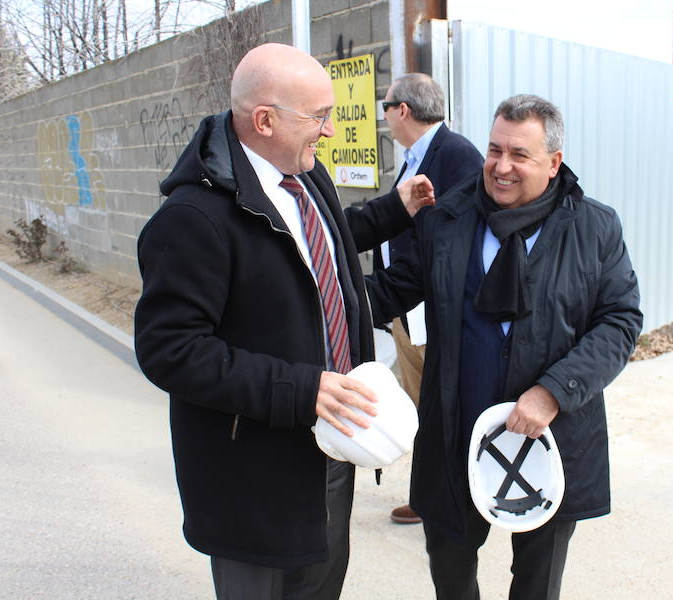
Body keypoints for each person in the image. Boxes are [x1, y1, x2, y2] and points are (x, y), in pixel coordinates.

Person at [134, 43, 432, 600]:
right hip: (255, 481)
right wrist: (301, 390)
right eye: (318, 117)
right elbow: (168, 350)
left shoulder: (304, 175)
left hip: (331, 449)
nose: (329, 132)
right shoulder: (192, 220)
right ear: (264, 121)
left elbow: (318, 243)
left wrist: (394, 209)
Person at [366, 94, 643, 599]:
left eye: (520, 154)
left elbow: (620, 321)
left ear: (554, 162)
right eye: (494, 150)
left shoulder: (594, 228)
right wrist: (308, 290)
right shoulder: (445, 219)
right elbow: (388, 291)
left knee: (536, 586)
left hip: (550, 438)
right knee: (450, 574)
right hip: (455, 433)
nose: (501, 166)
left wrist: (554, 391)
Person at [373, 73, 484, 525]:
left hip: (428, 309)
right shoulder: (417, 157)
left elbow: (457, 238)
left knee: (438, 408)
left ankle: (445, 499)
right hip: (407, 308)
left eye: (385, 108)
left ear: (402, 110)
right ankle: (432, 494)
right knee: (422, 407)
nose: (384, 118)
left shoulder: (456, 156)